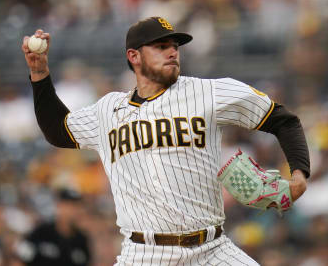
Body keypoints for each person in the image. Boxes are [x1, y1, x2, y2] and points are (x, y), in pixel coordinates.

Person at [21, 16, 309, 265]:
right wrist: (39, 74)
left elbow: (282, 120)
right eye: (161, 46)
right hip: (144, 254)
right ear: (134, 56)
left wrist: (299, 173)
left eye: (174, 46)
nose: (172, 52)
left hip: (211, 250)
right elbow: (58, 130)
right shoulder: (108, 111)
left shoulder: (208, 92)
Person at [15, 189, 91, 266]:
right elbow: (20, 260)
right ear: (58, 206)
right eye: (67, 205)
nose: (71, 211)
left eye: (75, 206)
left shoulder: (81, 240)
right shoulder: (41, 232)